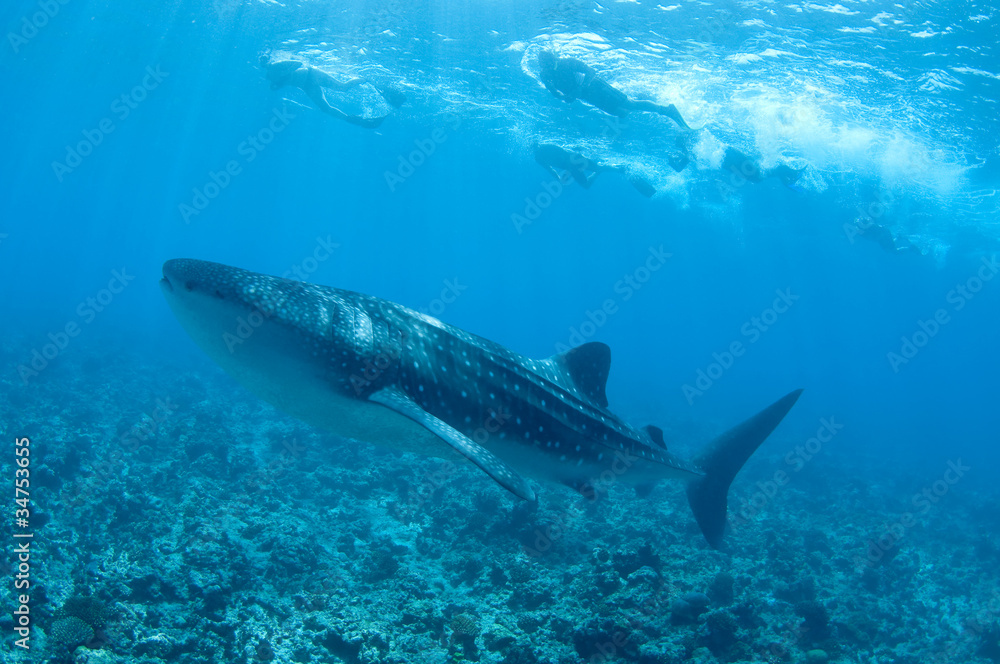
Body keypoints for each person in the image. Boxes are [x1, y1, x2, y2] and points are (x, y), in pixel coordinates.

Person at [536, 50, 691, 129]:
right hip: (589, 97)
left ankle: (666, 109)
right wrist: (564, 97)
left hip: (597, 87)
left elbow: (591, 72)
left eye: (550, 64)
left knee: (630, 104)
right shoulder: (545, 75)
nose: (549, 68)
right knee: (622, 113)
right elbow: (554, 92)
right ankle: (643, 99)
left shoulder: (568, 62)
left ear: (554, 59)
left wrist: (581, 88)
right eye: (545, 66)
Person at [260, 56, 405, 128]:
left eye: (264, 61)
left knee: (342, 87)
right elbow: (278, 85)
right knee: (324, 108)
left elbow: (298, 63)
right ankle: (351, 119)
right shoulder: (270, 75)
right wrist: (277, 84)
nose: (264, 64)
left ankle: (366, 79)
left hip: (311, 74)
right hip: (306, 86)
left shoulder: (277, 65)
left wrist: (284, 74)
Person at [533, 142, 656, 197]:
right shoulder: (539, 157)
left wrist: (564, 172)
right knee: (587, 183)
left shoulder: (546, 147)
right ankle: (609, 170)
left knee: (597, 168)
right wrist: (559, 178)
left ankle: (621, 169)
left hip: (574, 160)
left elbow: (563, 153)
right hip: (572, 166)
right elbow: (551, 170)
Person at [722, 147, 806, 187]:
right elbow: (744, 161)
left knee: (776, 171)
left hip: (754, 176)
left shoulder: (729, 162)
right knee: (779, 169)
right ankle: (793, 177)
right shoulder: (733, 159)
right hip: (755, 174)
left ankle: (789, 181)